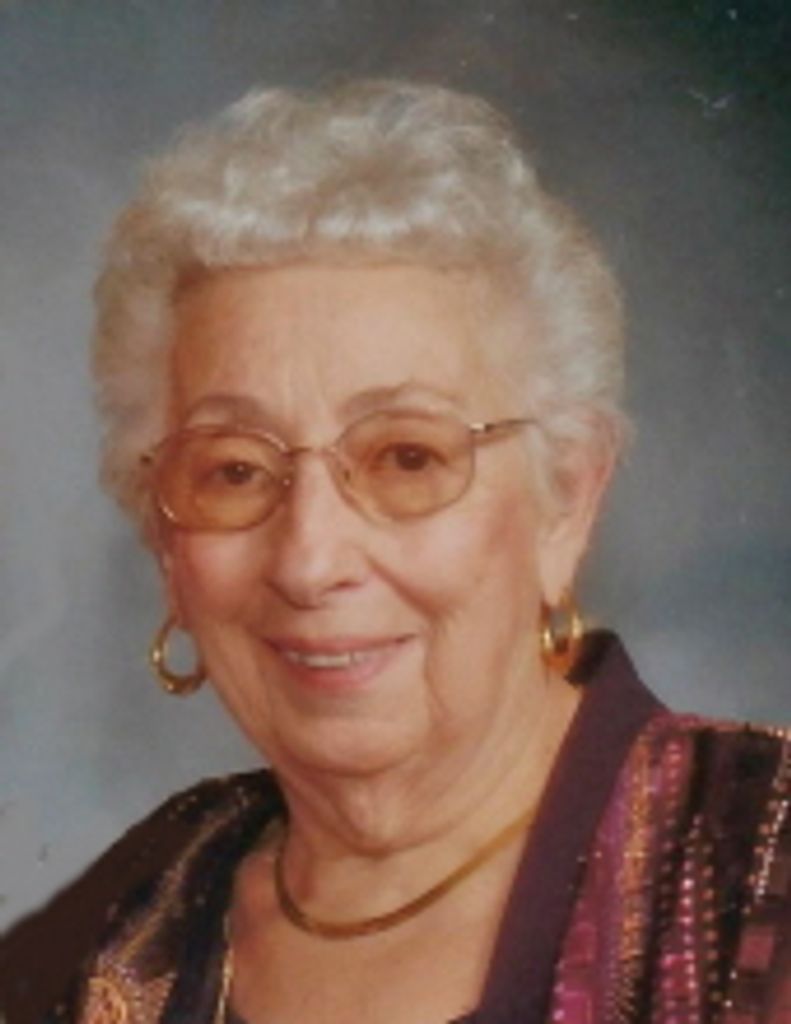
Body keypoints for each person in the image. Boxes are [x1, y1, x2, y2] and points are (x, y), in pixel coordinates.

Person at [1, 79, 789, 1024]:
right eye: (235, 471)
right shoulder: (118, 930)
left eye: (406, 458)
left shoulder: (760, 868)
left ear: (567, 500)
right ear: (165, 541)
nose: (309, 561)